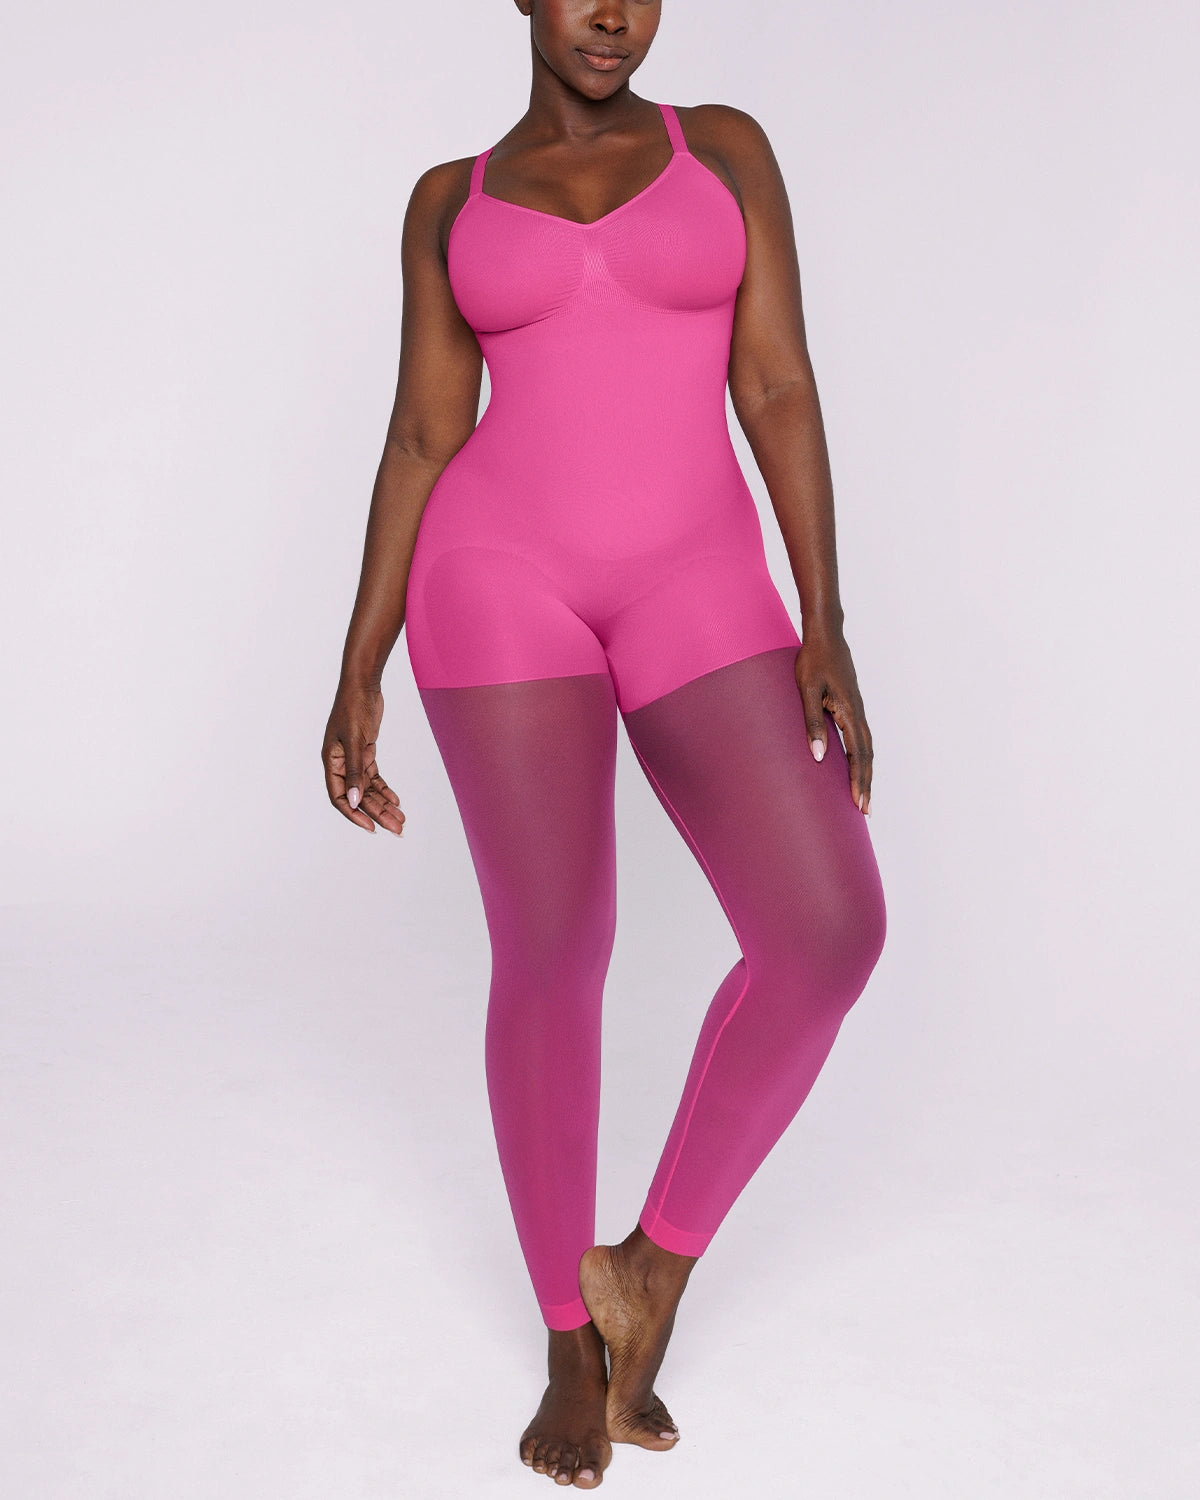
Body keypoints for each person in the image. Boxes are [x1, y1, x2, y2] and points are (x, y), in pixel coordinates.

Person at [322, 2, 887, 1489]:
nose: (612, 13)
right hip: (497, 579)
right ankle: (570, 1335)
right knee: (557, 949)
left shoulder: (726, 152)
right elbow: (425, 432)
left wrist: (824, 618)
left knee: (828, 929)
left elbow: (777, 384)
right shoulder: (448, 199)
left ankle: (651, 1265)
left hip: (697, 576)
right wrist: (358, 664)